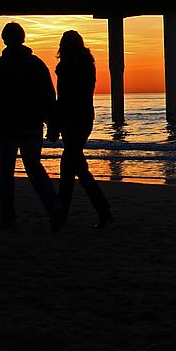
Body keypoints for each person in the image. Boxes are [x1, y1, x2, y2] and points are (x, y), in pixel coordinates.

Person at [0, 22, 64, 230]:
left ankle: (8, 217)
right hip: (31, 125)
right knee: (34, 169)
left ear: (4, 40)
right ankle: (53, 208)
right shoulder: (36, 63)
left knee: (6, 174)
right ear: (23, 38)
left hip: (7, 127)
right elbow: (48, 96)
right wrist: (52, 124)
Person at [48, 30, 113, 229]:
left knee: (73, 167)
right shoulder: (88, 65)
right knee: (73, 167)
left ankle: (96, 211)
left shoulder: (66, 68)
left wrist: (54, 125)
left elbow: (63, 100)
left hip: (71, 121)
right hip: (85, 120)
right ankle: (70, 213)